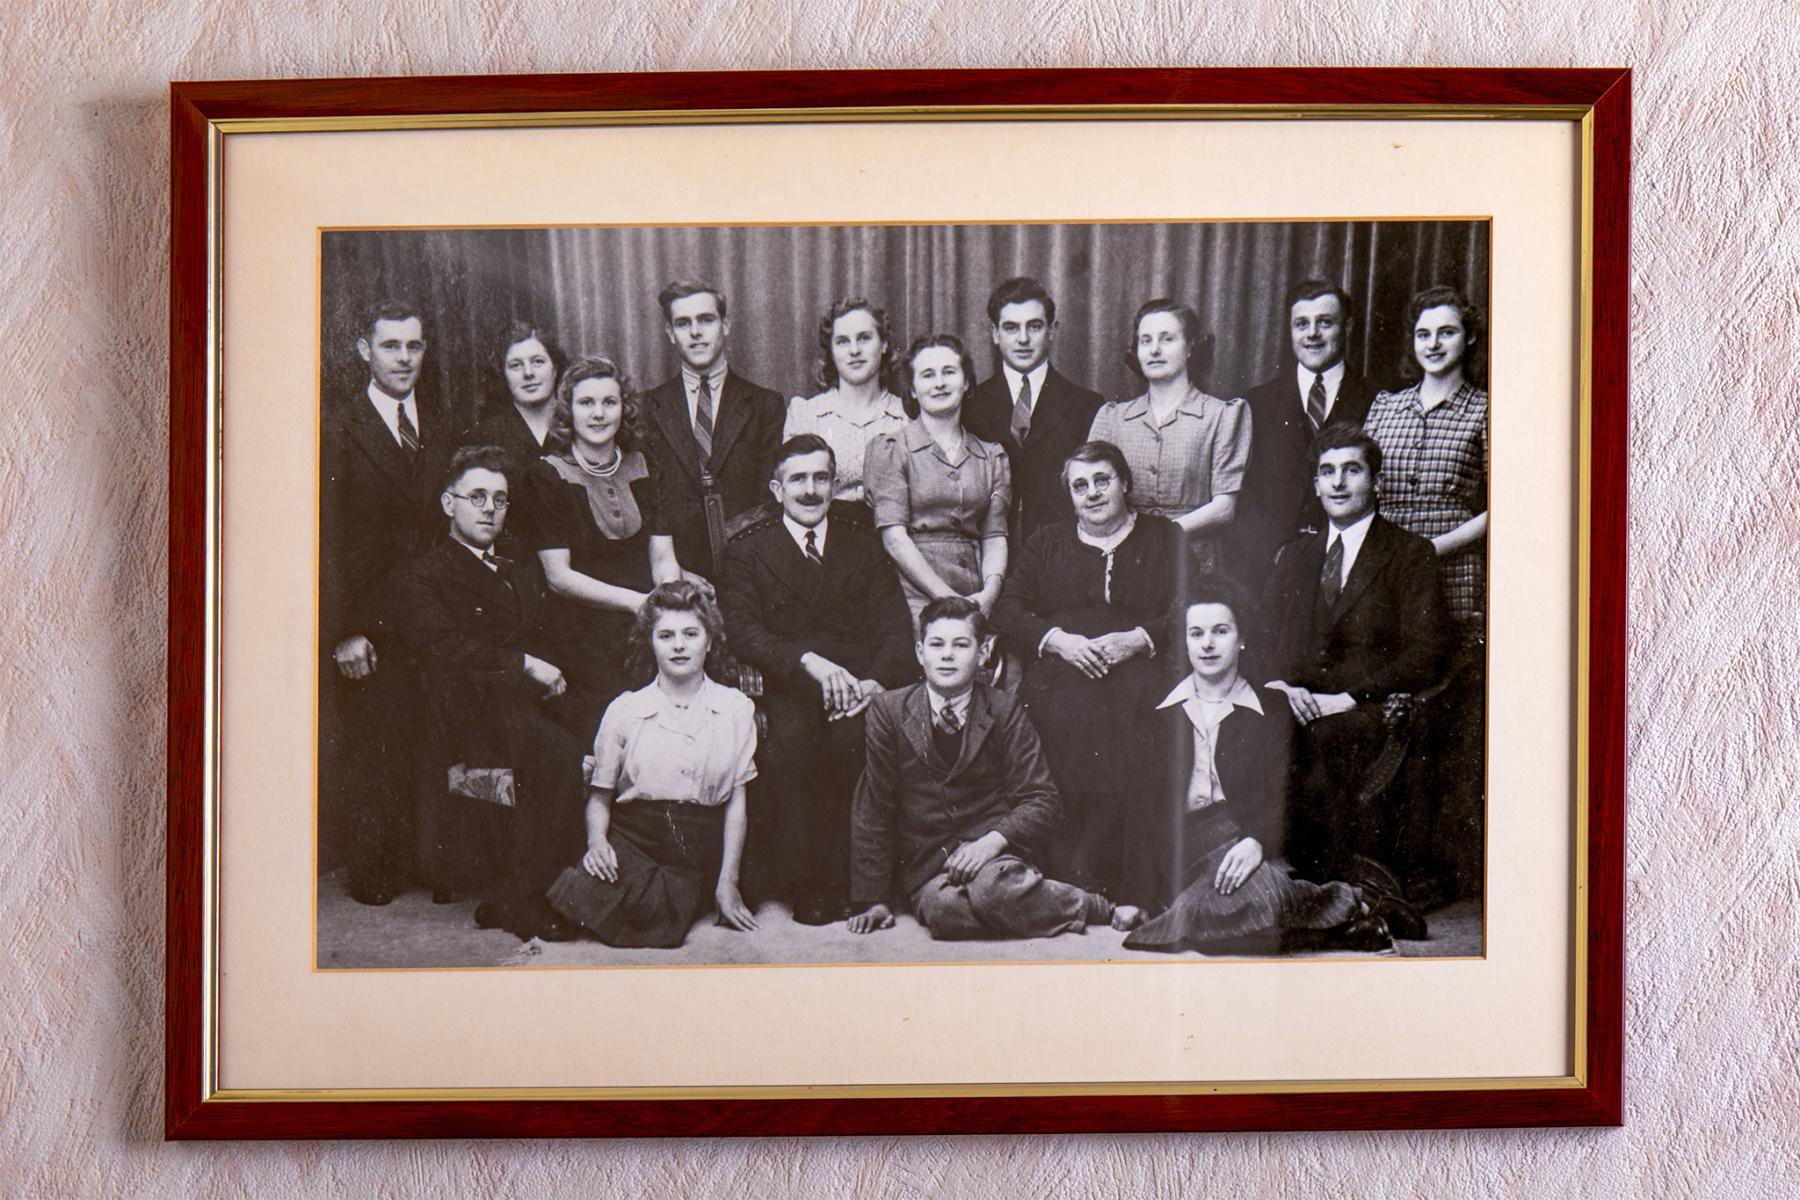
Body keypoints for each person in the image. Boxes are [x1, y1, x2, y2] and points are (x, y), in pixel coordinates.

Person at [847, 598, 1143, 940]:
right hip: (931, 865)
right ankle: (1039, 902)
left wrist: (991, 843)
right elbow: (874, 806)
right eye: (937, 644)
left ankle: (1096, 907)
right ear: (919, 652)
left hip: (996, 857)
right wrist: (874, 899)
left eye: (961, 645)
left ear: (984, 652)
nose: (947, 655)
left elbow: (1042, 799)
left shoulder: (1004, 708)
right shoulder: (889, 710)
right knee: (944, 913)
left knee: (992, 889)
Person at [1121, 581, 1391, 955]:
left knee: (1255, 891)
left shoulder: (1271, 708)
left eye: (1221, 631)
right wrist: (1134, 895)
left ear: (1241, 639)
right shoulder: (1158, 711)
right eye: (1196, 633)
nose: (1207, 644)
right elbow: (1139, 802)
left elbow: (1289, 793)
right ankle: (1349, 913)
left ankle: (1318, 912)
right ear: (1185, 643)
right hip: (1184, 843)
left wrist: (1257, 841)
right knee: (1255, 894)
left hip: (1244, 831)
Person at [389, 446, 586, 941]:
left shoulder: (518, 564)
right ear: (448, 503)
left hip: (526, 702)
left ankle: (585, 886)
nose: (489, 509)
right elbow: (443, 650)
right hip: (468, 713)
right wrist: (526, 666)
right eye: (476, 497)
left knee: (610, 722)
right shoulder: (422, 573)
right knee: (557, 753)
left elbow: (550, 632)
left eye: (499, 499)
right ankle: (523, 899)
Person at [720, 435, 918, 924]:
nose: (810, 490)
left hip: (858, 687)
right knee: (791, 744)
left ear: (834, 484)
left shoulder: (862, 545)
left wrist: (874, 683)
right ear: (777, 488)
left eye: (820, 478)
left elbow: (896, 628)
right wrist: (807, 661)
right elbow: (742, 630)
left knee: (858, 739)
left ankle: (853, 881)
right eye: (798, 479)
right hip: (789, 684)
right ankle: (807, 883)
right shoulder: (748, 551)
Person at [992, 440, 1194, 894]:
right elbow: (1007, 609)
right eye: (1080, 485)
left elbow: (1191, 606)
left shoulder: (1164, 538)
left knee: (1142, 721)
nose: (1093, 493)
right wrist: (1058, 641)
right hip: (1062, 671)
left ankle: (1131, 879)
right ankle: (1068, 873)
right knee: (1060, 716)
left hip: (1140, 668)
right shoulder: (1047, 541)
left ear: (1125, 483)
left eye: (1103, 480)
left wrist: (1138, 638)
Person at [1258, 426, 1447, 903]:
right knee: (1252, 720)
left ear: (1376, 481)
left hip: (1369, 706)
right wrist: (1281, 686)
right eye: (1327, 472)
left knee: (1325, 735)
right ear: (1316, 485)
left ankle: (1331, 886)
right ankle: (1264, 876)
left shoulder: (1410, 554)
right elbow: (1260, 637)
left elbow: (1426, 652)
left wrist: (1349, 697)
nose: (1338, 483)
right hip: (1299, 699)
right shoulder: (1295, 556)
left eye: (1352, 470)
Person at [545, 581, 760, 948]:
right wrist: (597, 842)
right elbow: (600, 796)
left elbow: (737, 802)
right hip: (635, 836)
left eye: (691, 634)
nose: (679, 646)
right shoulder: (625, 709)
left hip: (698, 840)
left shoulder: (735, 708)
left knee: (659, 914)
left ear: (709, 641)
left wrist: (729, 882)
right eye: (666, 635)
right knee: (569, 908)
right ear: (650, 642)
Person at [1363, 285, 1490, 899]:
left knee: (1439, 718)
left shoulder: (1487, 410)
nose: (1434, 344)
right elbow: (1363, 485)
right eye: (1423, 333)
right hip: (1385, 575)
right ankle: (1380, 860)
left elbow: (1504, 503)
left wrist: (1429, 551)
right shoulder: (1385, 407)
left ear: (1469, 338)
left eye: (1446, 332)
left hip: (1452, 574)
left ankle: (1434, 869)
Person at [319, 299, 445, 905]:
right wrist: (342, 631)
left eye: (413, 346)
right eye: (391, 346)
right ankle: (375, 867)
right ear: (364, 351)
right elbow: (324, 540)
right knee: (374, 744)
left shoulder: (441, 425)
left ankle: (428, 859)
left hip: (431, 618)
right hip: (369, 624)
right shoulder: (336, 428)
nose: (403, 358)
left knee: (426, 737)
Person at [525, 356, 682, 738]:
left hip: (646, 620)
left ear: (624, 409)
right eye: (586, 403)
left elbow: (663, 558)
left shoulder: (645, 466)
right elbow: (559, 577)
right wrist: (636, 603)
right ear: (568, 410)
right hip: (580, 630)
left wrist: (666, 606)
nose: (598, 413)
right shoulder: (546, 475)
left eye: (609, 402)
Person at [1089, 299, 1252, 575]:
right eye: (1145, 340)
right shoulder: (1112, 418)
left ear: (1190, 347)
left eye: (1167, 339)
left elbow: (1224, 508)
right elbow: (1095, 495)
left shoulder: (1222, 415)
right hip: (1126, 561)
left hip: (1194, 561)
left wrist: (1158, 538)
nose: (1154, 349)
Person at [640, 280, 786, 581]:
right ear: (670, 333)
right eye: (683, 323)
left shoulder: (765, 405)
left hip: (750, 570)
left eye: (706, 320)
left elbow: (770, 499)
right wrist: (677, 575)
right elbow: (651, 501)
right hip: (676, 572)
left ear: (725, 324)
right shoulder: (648, 407)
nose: (695, 332)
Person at [863, 334, 1013, 627]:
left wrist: (989, 595)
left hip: (976, 593)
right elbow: (894, 539)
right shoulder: (892, 449)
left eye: (949, 372)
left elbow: (995, 536)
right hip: (910, 592)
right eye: (928, 375)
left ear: (966, 382)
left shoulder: (992, 456)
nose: (940, 383)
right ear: (913, 389)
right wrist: (948, 600)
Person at [1237, 280, 1379, 586]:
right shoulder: (1255, 403)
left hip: (1353, 570)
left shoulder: (1378, 399)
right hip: (1269, 573)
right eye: (1301, 324)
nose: (1312, 334)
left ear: (1347, 327)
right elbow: (1246, 498)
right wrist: (1276, 555)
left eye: (1325, 323)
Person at [964, 276, 1105, 540]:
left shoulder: (1087, 406)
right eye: (1011, 328)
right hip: (987, 552)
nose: (1023, 339)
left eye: (1034, 326)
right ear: (995, 333)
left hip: (1060, 551)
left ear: (1052, 330)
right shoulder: (970, 404)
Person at [782, 297, 908, 509]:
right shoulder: (806, 415)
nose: (854, 350)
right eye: (842, 341)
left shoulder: (907, 417)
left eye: (864, 338)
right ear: (831, 351)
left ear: (884, 344)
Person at [465, 320, 564, 463]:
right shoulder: (483, 438)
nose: (528, 373)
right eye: (516, 365)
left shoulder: (579, 425)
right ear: (503, 374)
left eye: (538, 361)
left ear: (555, 368)